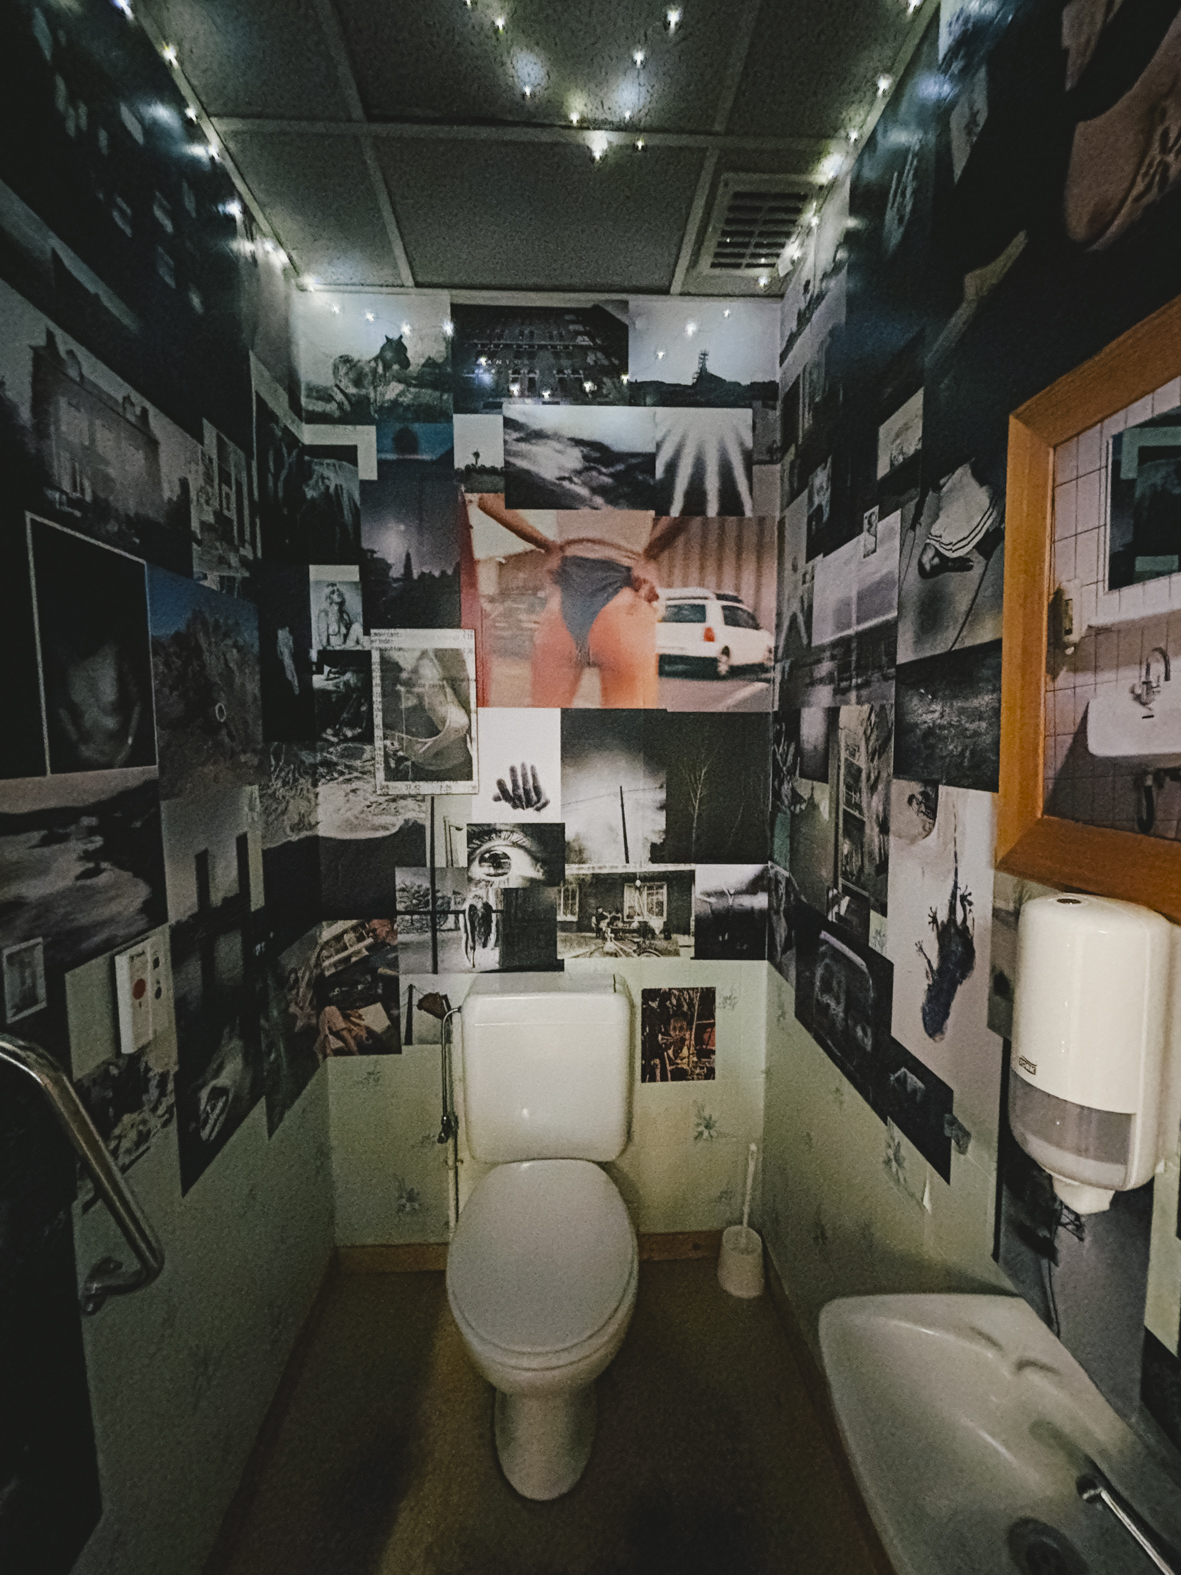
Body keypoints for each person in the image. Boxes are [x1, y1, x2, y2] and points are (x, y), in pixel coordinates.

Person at [473, 495, 690, 707]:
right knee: (627, 727)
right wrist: (649, 554)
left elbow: (489, 500)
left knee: (546, 725)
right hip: (622, 599)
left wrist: (548, 546)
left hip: (564, 598)